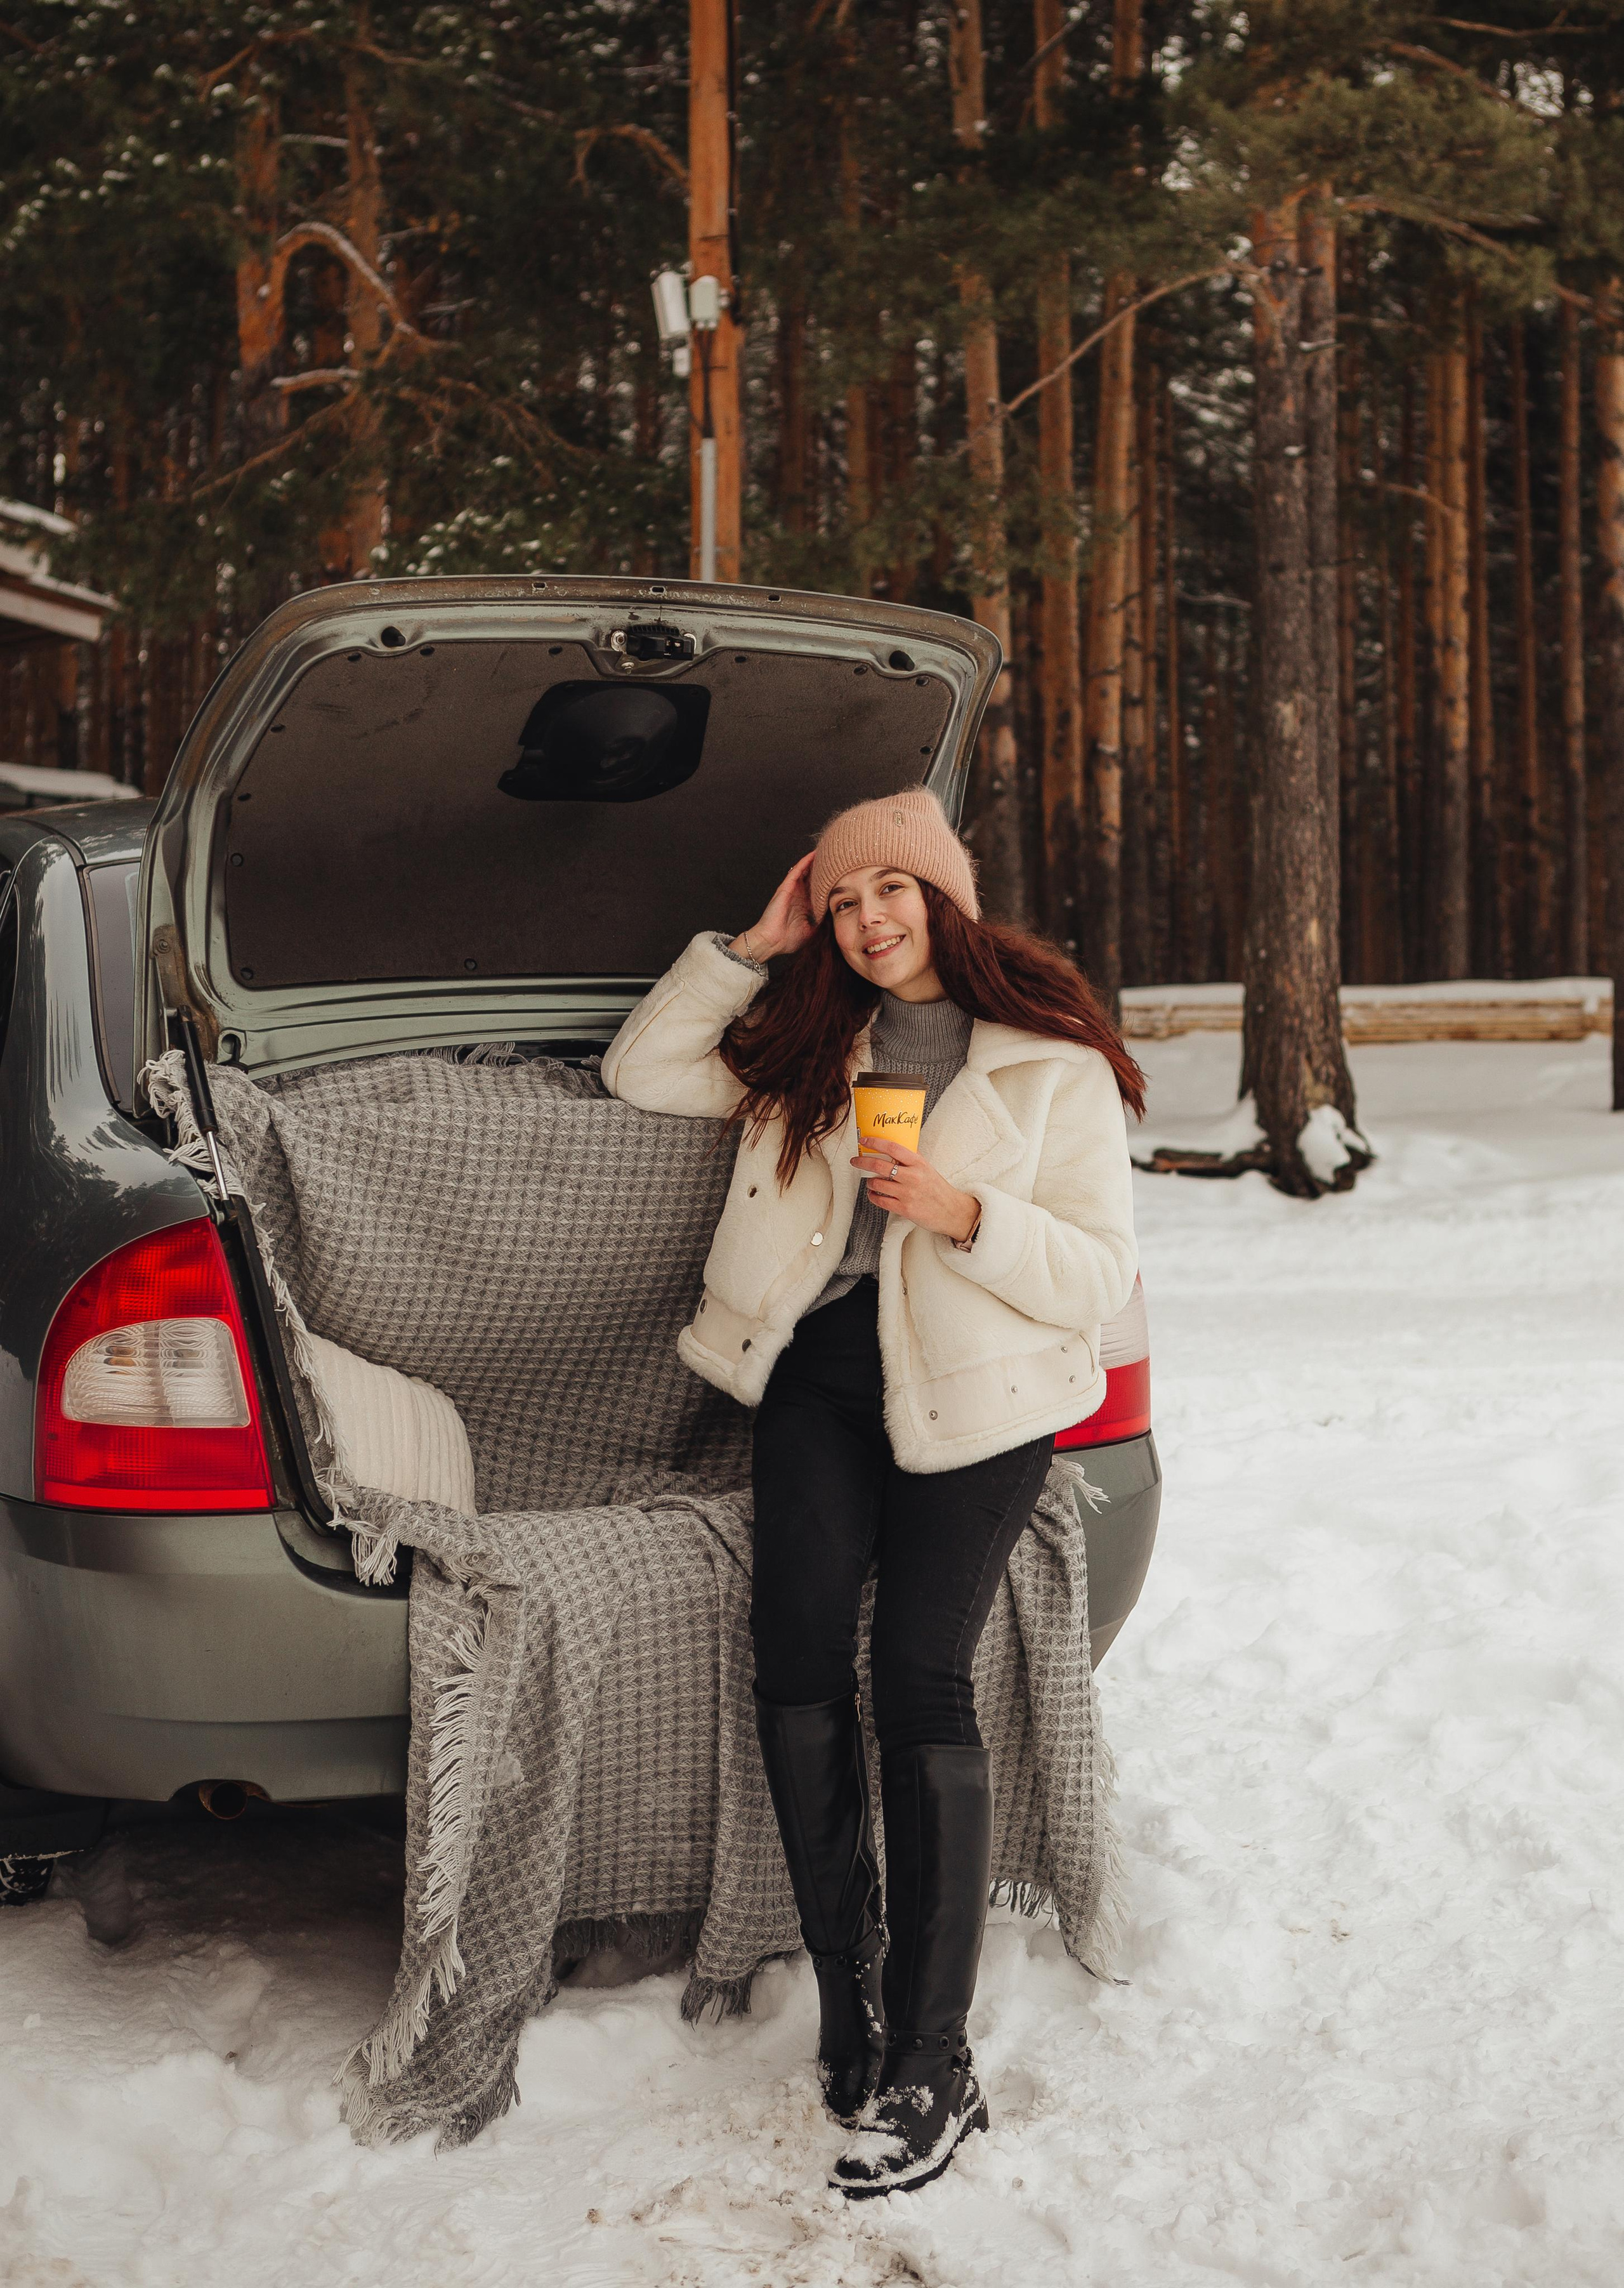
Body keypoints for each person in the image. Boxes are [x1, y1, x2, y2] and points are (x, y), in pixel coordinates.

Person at [603, 787, 1143, 2198]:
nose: (869, 917)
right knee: (790, 1655)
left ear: (946, 900)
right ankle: (846, 1999)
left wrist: (966, 1215)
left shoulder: (1047, 1062)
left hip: (982, 1394)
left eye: (890, 891)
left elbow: (1099, 1274)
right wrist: (753, 944)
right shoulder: (809, 1039)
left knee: (916, 1673)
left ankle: (933, 2055)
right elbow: (643, 1070)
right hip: (823, 1384)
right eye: (844, 900)